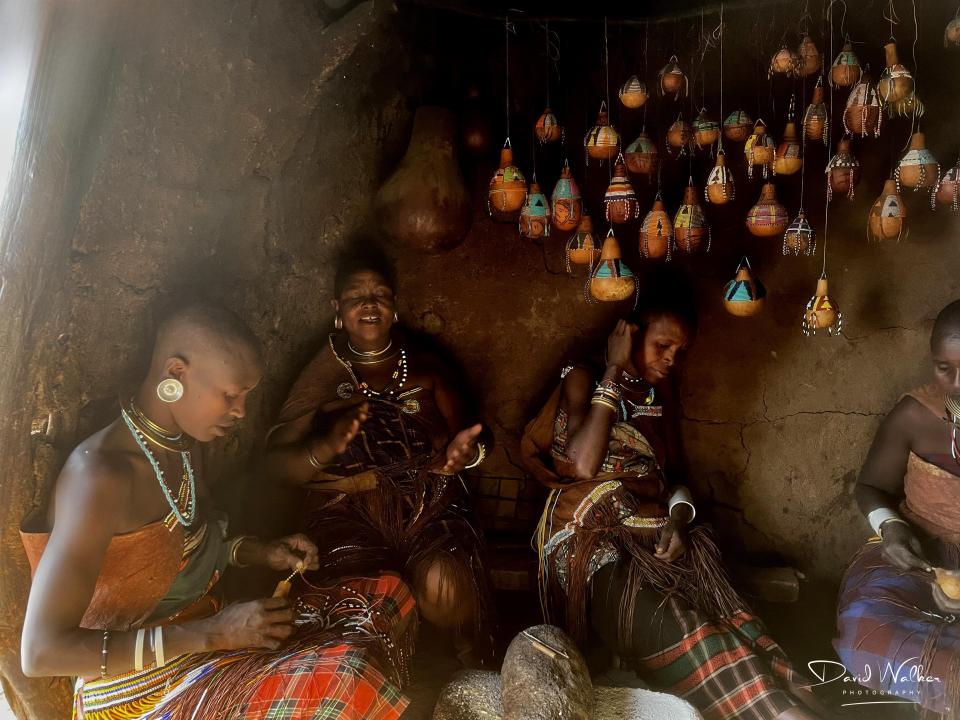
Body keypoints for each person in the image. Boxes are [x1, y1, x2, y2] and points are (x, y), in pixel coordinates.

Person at [20, 302, 416, 720]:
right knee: (341, 681)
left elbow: (187, 549)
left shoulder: (182, 445)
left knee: (385, 595)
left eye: (245, 396)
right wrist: (212, 634)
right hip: (135, 688)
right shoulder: (99, 477)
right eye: (230, 395)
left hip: (209, 637)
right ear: (175, 374)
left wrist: (260, 552)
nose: (241, 411)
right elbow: (41, 652)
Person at [521, 298, 819, 720]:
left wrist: (679, 521)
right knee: (693, 635)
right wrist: (614, 368)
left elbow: (674, 475)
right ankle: (772, 713)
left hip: (657, 535)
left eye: (680, 352)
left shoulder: (656, 394)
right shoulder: (583, 377)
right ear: (630, 335)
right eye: (662, 346)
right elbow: (583, 463)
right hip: (587, 542)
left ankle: (792, 705)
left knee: (737, 623)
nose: (671, 359)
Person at [265, 244, 493, 661]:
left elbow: (474, 437)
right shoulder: (322, 373)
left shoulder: (427, 367)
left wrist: (465, 455)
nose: (369, 304)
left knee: (444, 585)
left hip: (428, 503)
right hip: (343, 507)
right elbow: (277, 462)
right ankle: (384, 663)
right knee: (364, 595)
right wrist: (322, 450)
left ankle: (452, 656)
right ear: (337, 308)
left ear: (394, 306)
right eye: (356, 296)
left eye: (380, 295)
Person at [835, 298, 960, 715]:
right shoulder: (914, 416)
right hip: (916, 555)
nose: (957, 384)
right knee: (864, 637)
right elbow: (871, 486)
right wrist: (891, 528)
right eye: (945, 369)